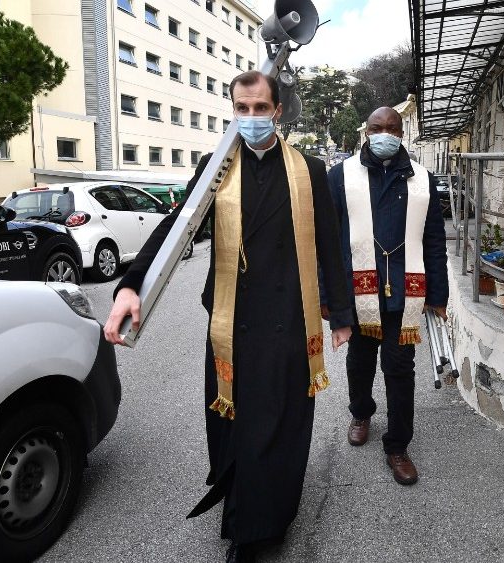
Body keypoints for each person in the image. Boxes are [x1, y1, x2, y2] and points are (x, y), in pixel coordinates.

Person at [103, 70, 354, 563]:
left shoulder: (309, 169)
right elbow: (177, 227)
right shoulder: (215, 166)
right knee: (237, 422)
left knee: (279, 424)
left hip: (287, 319)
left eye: (261, 108)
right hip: (231, 319)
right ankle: (245, 510)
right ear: (233, 110)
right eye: (242, 108)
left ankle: (261, 526)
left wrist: (341, 313)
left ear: (277, 111)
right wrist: (131, 285)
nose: (252, 117)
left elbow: (330, 242)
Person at [324, 106, 448, 486]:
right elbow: (326, 241)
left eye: (392, 128)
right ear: (367, 132)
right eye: (377, 128)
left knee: (400, 371)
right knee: (360, 363)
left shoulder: (422, 180)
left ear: (401, 133)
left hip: (403, 295)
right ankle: (361, 412)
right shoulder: (341, 176)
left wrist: (438, 295)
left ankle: (397, 445)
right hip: (357, 291)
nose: (384, 135)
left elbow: (434, 240)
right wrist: (328, 297)